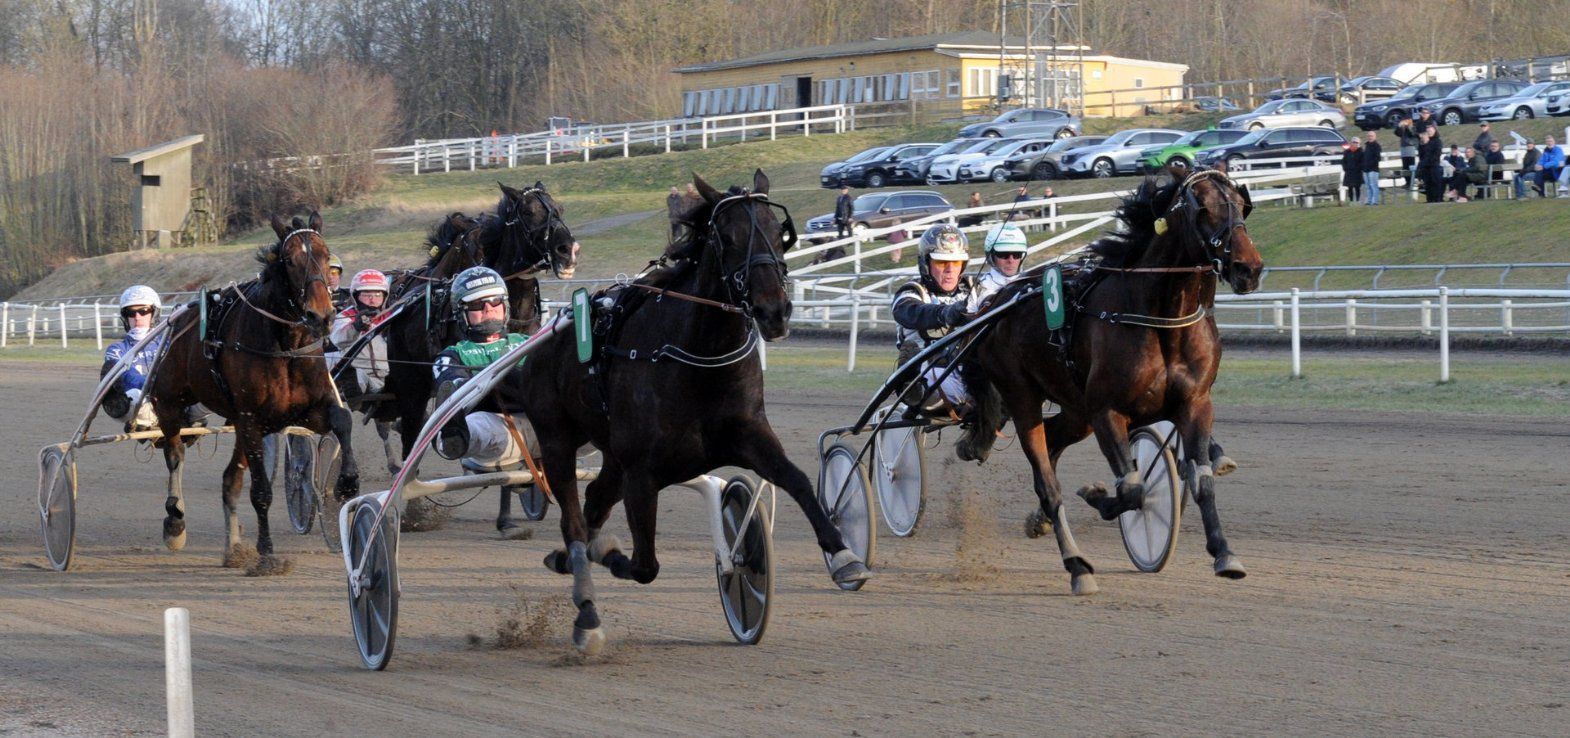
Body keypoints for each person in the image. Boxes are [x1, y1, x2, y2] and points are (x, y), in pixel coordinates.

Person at [431, 266, 538, 472]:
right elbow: (451, 379)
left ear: (505, 305)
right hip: (495, 429)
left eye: (495, 301)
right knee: (475, 421)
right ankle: (453, 435)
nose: (488, 308)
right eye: (477, 304)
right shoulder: (452, 354)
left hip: (543, 420)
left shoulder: (529, 343)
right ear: (462, 313)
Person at [891, 224, 981, 415]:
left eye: (956, 263)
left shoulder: (975, 289)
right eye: (941, 263)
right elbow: (907, 311)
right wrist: (945, 313)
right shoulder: (913, 290)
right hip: (930, 369)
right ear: (926, 263)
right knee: (935, 376)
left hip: (969, 369)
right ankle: (911, 386)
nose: (950, 270)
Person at [100, 285, 166, 429]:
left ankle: (182, 417)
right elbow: (125, 377)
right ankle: (151, 421)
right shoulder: (117, 349)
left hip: (170, 399)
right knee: (135, 394)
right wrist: (156, 386)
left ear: (154, 313)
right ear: (125, 317)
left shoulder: (168, 342)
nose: (137, 317)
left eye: (144, 311)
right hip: (138, 402)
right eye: (131, 313)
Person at [329, 269, 393, 400]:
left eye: (377, 294)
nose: (372, 300)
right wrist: (355, 327)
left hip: (390, 375)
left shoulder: (391, 317)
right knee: (355, 376)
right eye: (366, 294)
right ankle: (354, 394)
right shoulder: (345, 317)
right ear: (355, 295)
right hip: (362, 375)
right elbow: (337, 340)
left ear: (385, 296)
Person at [976, 223, 1028, 302]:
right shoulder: (982, 287)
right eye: (1004, 255)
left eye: (1017, 255)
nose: (1011, 260)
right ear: (991, 257)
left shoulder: (1029, 281)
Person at [1418, 127, 1444, 203]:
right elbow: (1421, 155)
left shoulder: (1437, 141)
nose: (1429, 132)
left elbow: (1437, 153)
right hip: (1425, 166)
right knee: (1428, 183)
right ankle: (1429, 199)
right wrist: (1424, 143)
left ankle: (1437, 199)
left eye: (1431, 131)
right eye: (1428, 131)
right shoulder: (1424, 142)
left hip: (1434, 165)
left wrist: (1430, 161)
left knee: (1436, 182)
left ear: (1434, 131)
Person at [1395, 117, 1420, 189]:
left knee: (1411, 165)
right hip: (1403, 147)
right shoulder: (1403, 128)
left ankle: (1411, 181)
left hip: (1410, 147)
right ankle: (1407, 182)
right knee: (1405, 166)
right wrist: (1399, 126)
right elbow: (1397, 133)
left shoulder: (1413, 127)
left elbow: (1412, 134)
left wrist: (1408, 126)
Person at [1360, 131, 1383, 205]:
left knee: (1373, 185)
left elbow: (1378, 158)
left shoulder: (1377, 146)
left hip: (1373, 169)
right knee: (1368, 186)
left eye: (1371, 136)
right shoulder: (1366, 145)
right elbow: (1364, 157)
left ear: (1375, 137)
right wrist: (1363, 166)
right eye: (1369, 136)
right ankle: (1369, 201)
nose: (1370, 137)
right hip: (1365, 169)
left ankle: (1375, 201)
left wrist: (1370, 165)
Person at [1341, 138, 1363, 204]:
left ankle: (1358, 200)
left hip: (1357, 172)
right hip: (1349, 172)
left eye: (1357, 142)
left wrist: (1359, 168)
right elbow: (1343, 161)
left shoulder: (1361, 152)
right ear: (1351, 143)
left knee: (1357, 187)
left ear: (1359, 143)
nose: (1355, 144)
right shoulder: (1347, 152)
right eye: (1354, 142)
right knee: (1350, 187)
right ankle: (1351, 200)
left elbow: (1362, 161)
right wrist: (1345, 168)